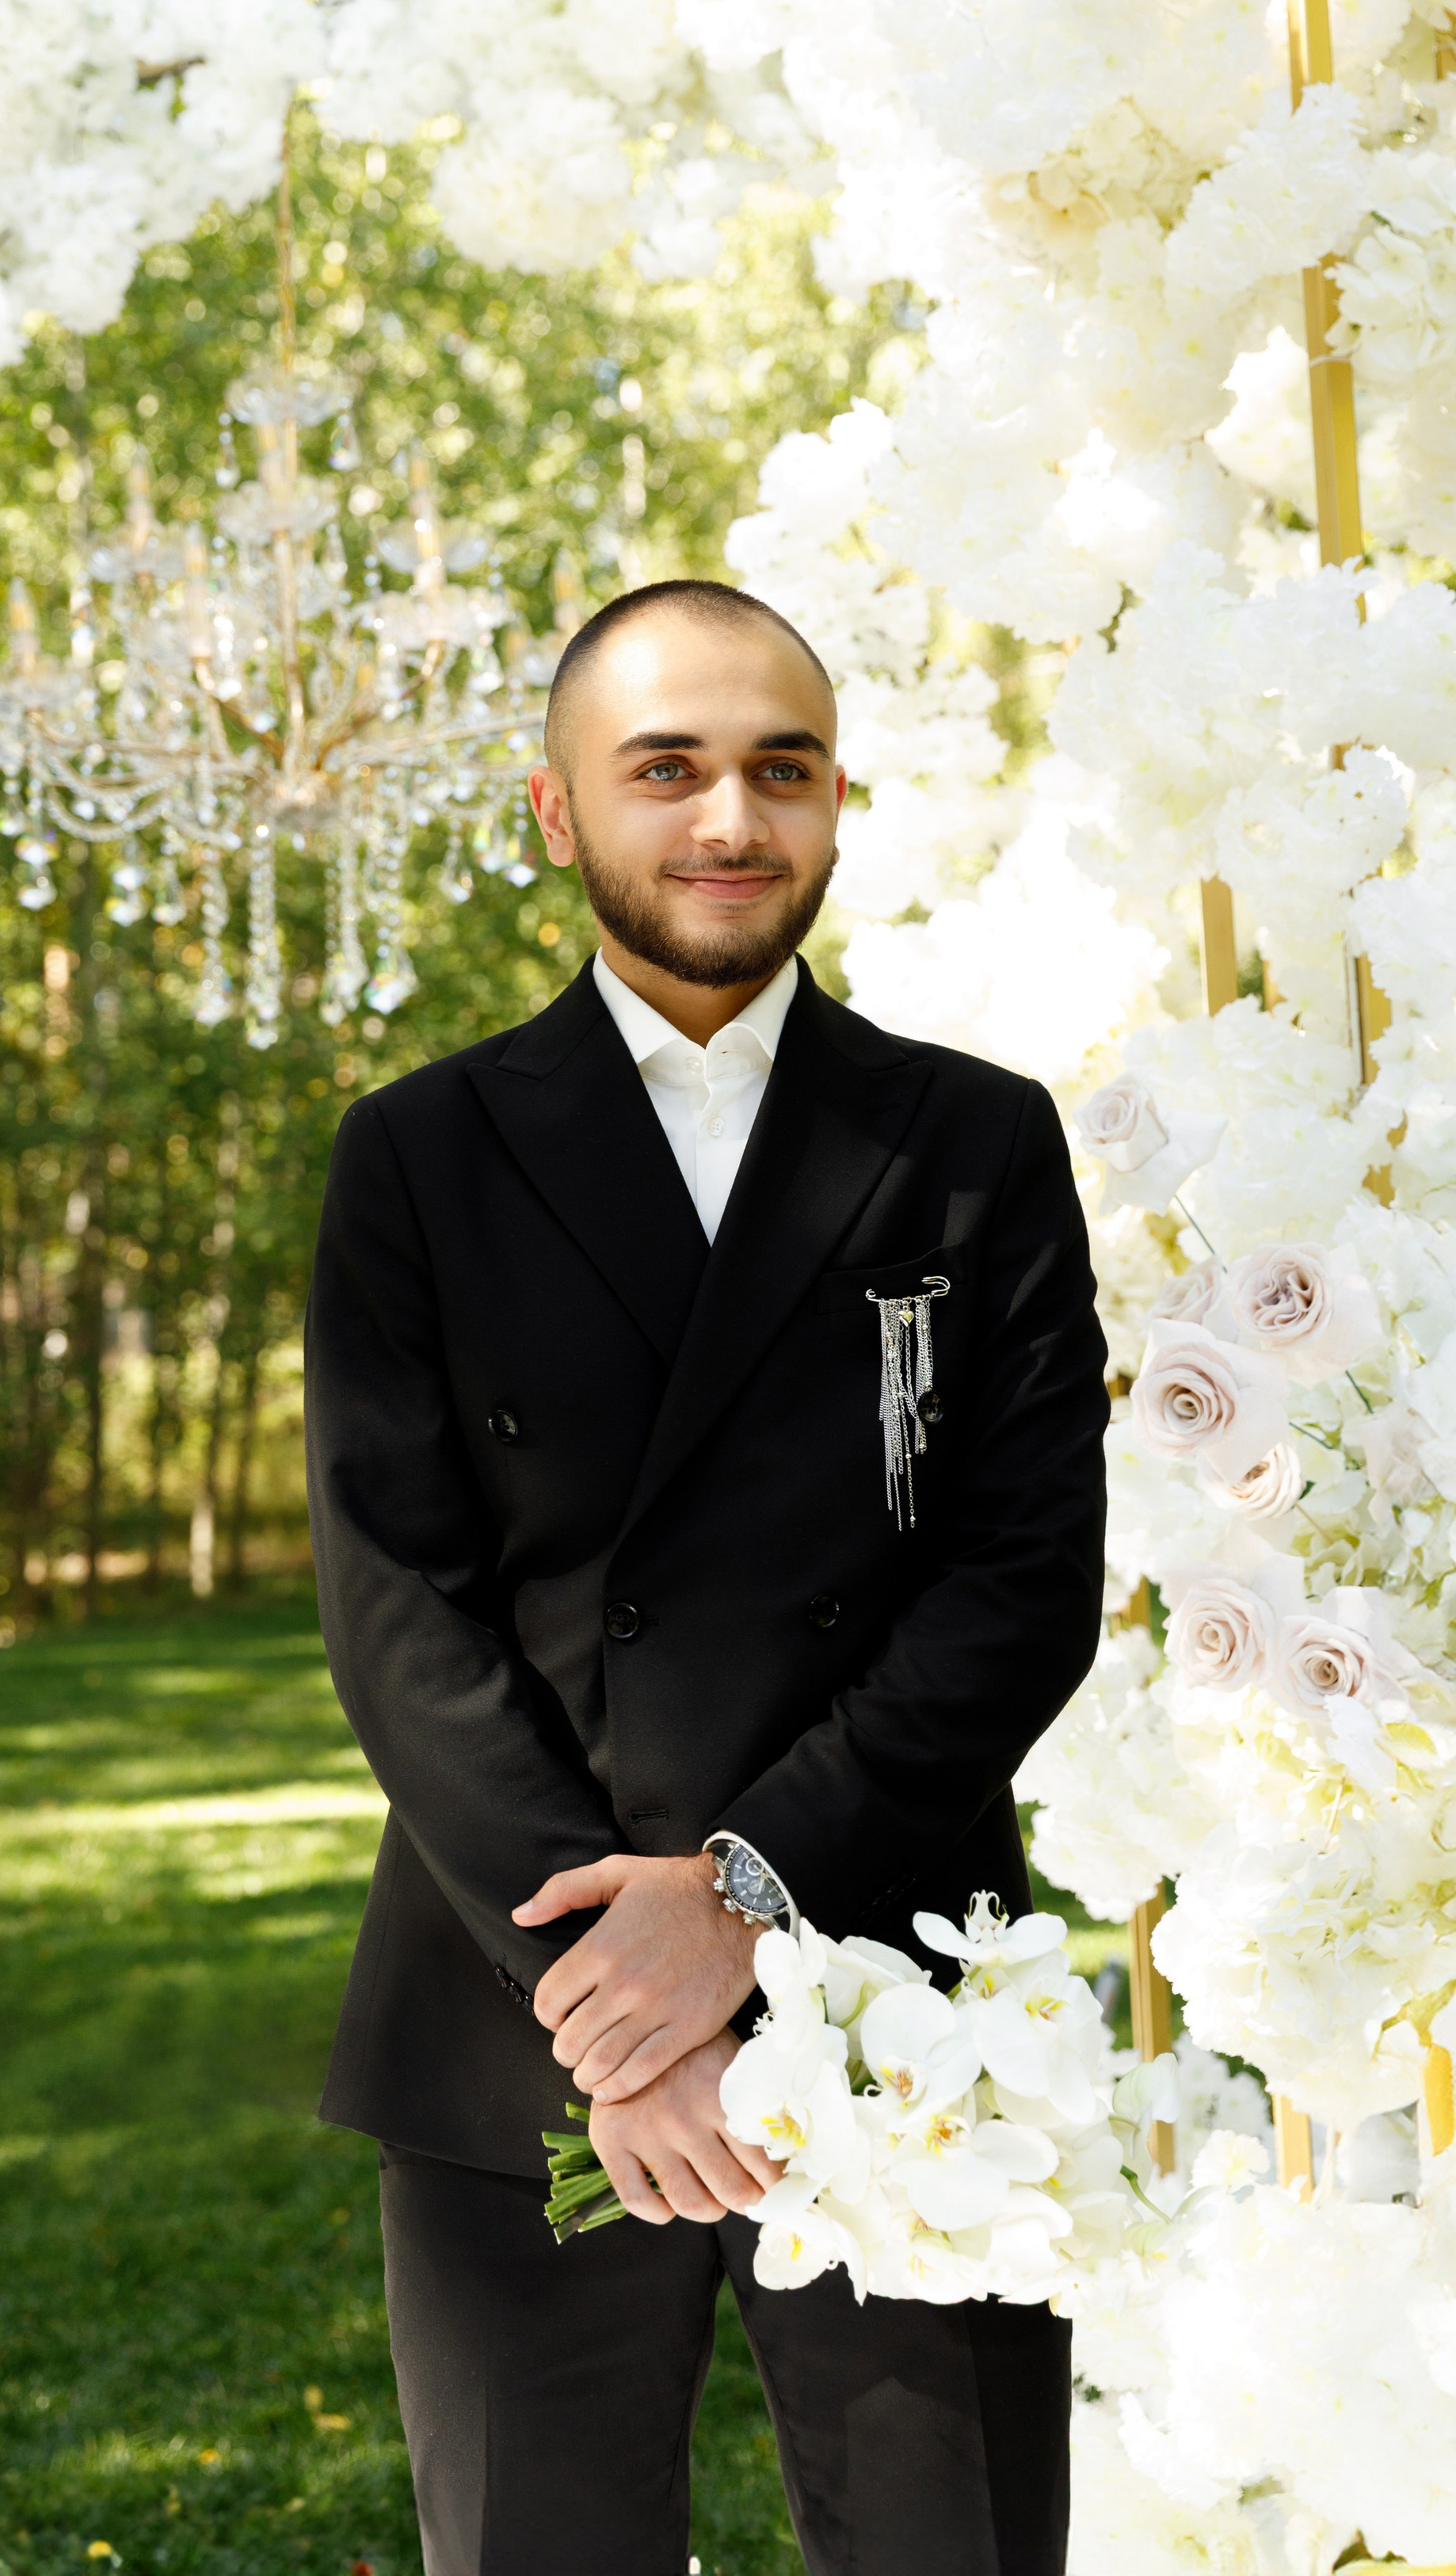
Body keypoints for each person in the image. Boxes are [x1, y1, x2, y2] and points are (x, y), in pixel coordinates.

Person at [304, 579, 1108, 2576]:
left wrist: (745, 1897)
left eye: (780, 766)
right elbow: (398, 1610)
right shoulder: (414, 1156)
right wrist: (619, 2006)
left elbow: (1021, 1579)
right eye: (662, 767)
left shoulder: (973, 1143)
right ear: (555, 809)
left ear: (838, 798)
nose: (728, 817)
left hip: (902, 2011)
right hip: (523, 2026)